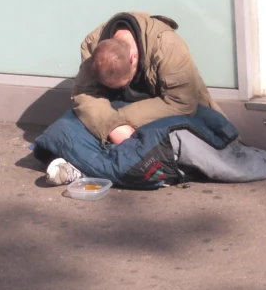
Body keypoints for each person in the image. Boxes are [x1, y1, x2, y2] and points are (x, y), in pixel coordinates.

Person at [45, 11, 224, 185]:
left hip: (170, 115)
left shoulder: (168, 45)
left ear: (133, 57)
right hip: (118, 115)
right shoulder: (92, 46)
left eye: (126, 81)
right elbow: (86, 95)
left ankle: (84, 167)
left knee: (162, 148)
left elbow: (183, 102)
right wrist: (113, 128)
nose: (124, 87)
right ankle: (110, 165)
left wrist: (118, 121)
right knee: (65, 126)